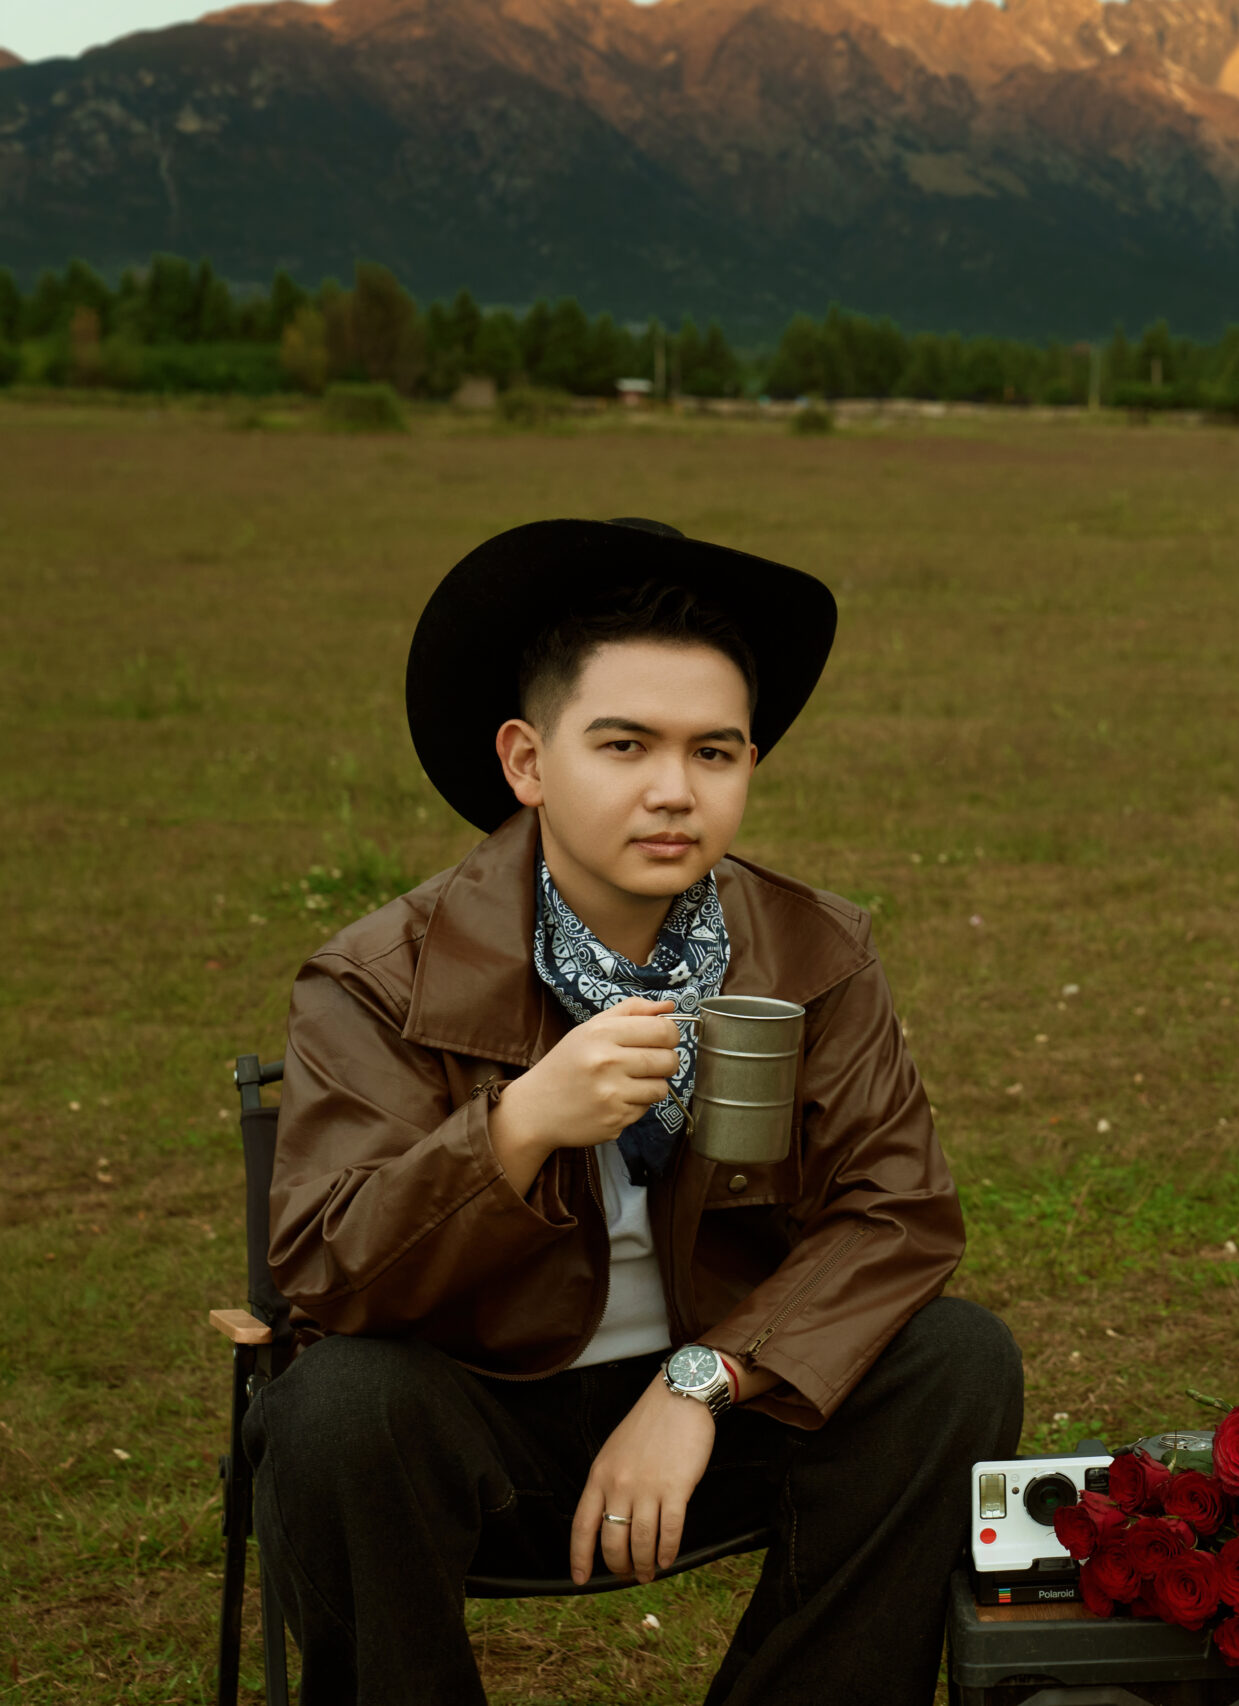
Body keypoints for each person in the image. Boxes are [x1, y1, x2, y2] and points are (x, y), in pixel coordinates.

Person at [250, 518, 1024, 1705]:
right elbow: (323, 1269)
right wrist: (514, 1128)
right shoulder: (377, 976)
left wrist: (702, 1380)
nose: (674, 791)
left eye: (714, 751)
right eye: (623, 744)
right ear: (527, 760)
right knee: (337, 1407)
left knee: (955, 1359)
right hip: (479, 1418)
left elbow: (898, 1214)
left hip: (721, 1405)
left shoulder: (813, 950)